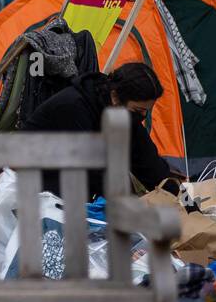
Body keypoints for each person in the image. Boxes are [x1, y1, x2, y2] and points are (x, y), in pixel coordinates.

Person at [21, 61, 177, 199]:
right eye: (137, 111)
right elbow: (92, 171)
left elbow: (152, 167)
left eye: (146, 112)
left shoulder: (126, 115)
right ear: (115, 97)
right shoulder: (73, 107)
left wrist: (188, 206)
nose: (142, 117)